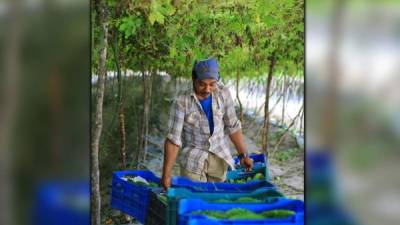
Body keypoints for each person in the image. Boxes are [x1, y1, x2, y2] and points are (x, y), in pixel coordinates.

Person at [161, 57, 253, 189]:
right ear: (193, 79)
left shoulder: (223, 93)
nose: (207, 89)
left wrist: (243, 155)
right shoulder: (182, 101)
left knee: (216, 199)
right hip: (193, 160)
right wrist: (166, 174)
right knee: (196, 199)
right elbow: (173, 140)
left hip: (219, 156)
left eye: (212, 84)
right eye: (202, 84)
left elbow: (232, 125)